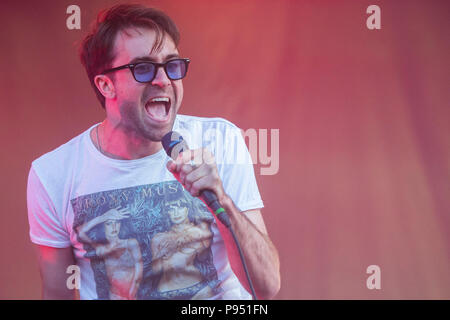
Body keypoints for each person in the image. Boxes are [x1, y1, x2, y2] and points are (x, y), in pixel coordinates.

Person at [27, 3, 280, 300]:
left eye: (172, 65)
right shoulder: (52, 174)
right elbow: (56, 293)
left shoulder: (221, 140)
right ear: (106, 85)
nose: (164, 80)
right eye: (143, 68)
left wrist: (220, 199)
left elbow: (267, 286)